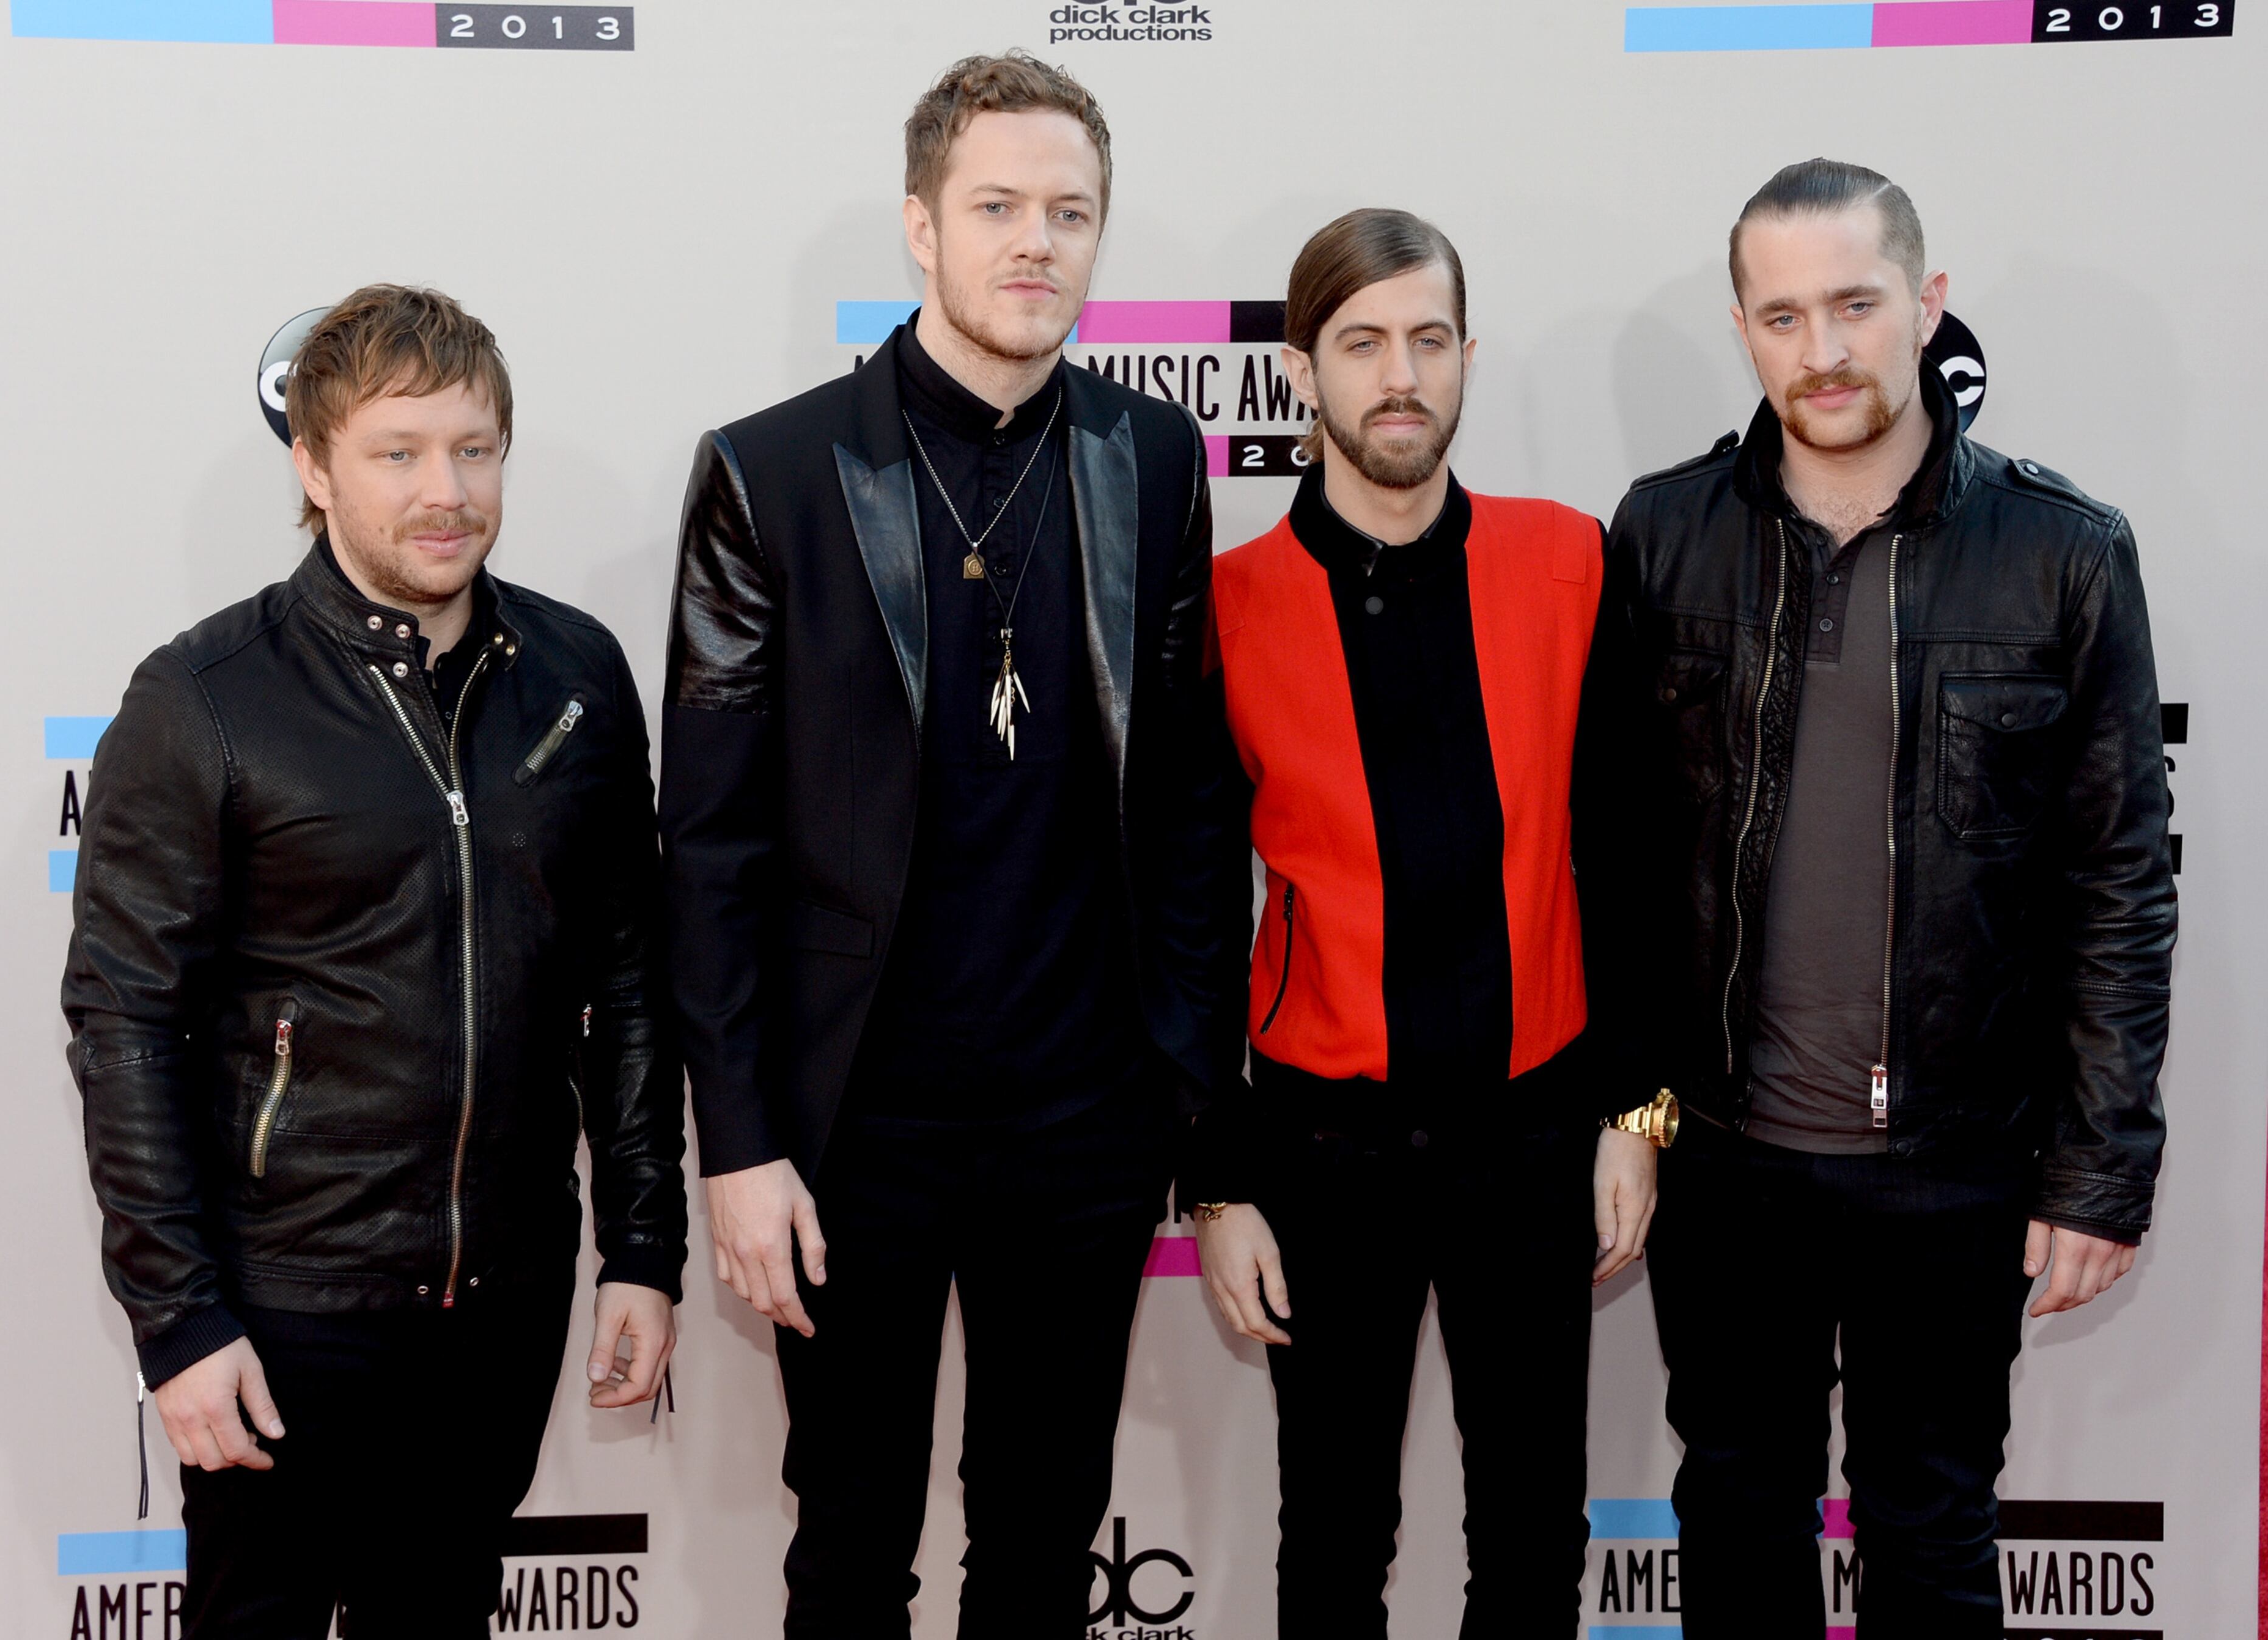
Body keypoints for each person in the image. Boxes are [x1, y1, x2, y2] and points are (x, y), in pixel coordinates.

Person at [657, 51, 1237, 1639]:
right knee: (851, 1551)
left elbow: (1191, 801)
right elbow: (709, 848)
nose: (1036, 241)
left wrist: (1184, 1088)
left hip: (1086, 1117)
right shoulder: (773, 473)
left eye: (1071, 212)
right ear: (921, 227)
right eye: (996, 207)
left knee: (1043, 1549)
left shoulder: (1153, 458)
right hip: (854, 1124)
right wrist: (738, 1142)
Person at [62, 285, 688, 1638]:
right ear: (314, 467)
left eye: (474, 449)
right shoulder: (206, 698)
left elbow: (631, 987)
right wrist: (180, 1320)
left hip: (503, 1300)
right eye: (398, 453)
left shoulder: (577, 675)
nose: (444, 491)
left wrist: (644, 1245)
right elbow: (124, 1025)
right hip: (287, 1302)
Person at [1610, 160, 2175, 1635]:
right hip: (1728, 1158)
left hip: (1960, 1159)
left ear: (1928, 305)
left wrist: (2099, 1166)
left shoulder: (2065, 552)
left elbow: (2121, 882)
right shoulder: (1663, 534)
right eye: (1783, 315)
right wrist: (1632, 1113)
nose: (1824, 350)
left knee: (1931, 1531)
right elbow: (1617, 855)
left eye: (1856, 304)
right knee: (1739, 1520)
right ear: (1744, 328)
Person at [1184, 207, 1671, 1638]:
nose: (1400, 376)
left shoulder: (1571, 561)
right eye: (1362, 343)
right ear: (1300, 371)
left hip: (1537, 1135)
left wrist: (1637, 1114)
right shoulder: (1225, 608)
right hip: (1321, 1150)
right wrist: (1217, 1182)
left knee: (1532, 1535)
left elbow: (1632, 858)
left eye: (1429, 339)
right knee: (1334, 1540)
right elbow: (1191, 916)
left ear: (1466, 355)